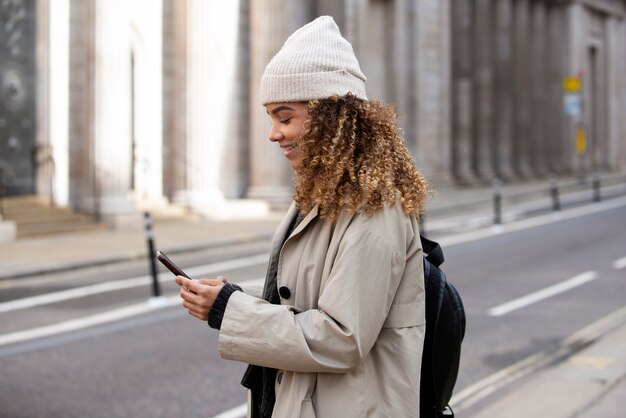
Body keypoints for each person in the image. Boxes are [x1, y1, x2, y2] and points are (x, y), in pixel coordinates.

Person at [176, 15, 430, 418]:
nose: (273, 134)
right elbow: (305, 304)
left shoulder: (374, 209)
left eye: (285, 116)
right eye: (271, 118)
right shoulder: (320, 197)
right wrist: (237, 299)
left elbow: (341, 337)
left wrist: (229, 309)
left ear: (331, 118)